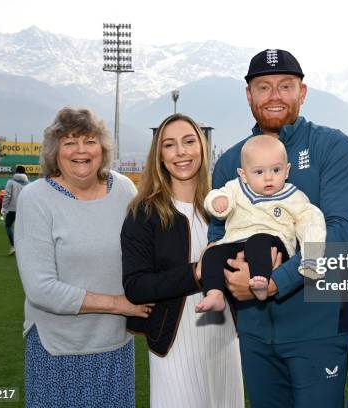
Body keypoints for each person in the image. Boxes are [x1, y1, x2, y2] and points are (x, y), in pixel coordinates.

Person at [208, 49, 348, 407]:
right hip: (255, 331)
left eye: (285, 86)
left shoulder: (333, 146)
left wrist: (276, 281)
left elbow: (341, 235)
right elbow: (218, 235)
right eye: (263, 87)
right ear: (250, 95)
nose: (274, 96)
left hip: (318, 326)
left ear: (302, 93)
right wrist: (235, 278)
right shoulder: (232, 161)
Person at [14, 107, 150, 408]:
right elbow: (40, 289)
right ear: (55, 151)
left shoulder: (125, 189)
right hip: (57, 349)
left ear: (102, 148)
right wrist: (118, 304)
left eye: (89, 140)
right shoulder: (35, 198)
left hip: (115, 346)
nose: (81, 150)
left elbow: (144, 254)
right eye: (69, 141)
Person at [121, 113, 244, 408]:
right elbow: (136, 286)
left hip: (226, 339)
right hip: (174, 344)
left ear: (202, 148)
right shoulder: (144, 214)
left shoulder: (224, 207)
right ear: (160, 157)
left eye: (189, 141)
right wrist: (196, 273)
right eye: (169, 145)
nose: (181, 152)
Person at [196, 135, 326, 312]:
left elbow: (312, 223)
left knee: (258, 240)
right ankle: (215, 293)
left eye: (276, 170)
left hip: (273, 246)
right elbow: (217, 195)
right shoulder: (236, 188)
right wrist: (219, 202)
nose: (268, 178)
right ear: (243, 175)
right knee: (211, 253)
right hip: (237, 243)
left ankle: (262, 283)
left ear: (287, 171)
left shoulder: (294, 197)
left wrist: (312, 261)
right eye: (259, 172)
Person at [1, 165, 29, 255]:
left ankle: (14, 246)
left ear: (16, 172)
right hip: (24, 209)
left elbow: (7, 195)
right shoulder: (29, 183)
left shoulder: (11, 182)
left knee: (8, 226)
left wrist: (4, 207)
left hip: (12, 208)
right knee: (22, 229)